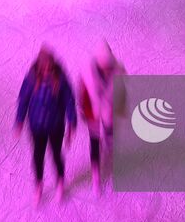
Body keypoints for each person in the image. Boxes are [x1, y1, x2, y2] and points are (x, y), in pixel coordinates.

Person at [14, 48, 76, 205]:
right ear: (40, 66)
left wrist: (72, 121)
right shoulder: (30, 80)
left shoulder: (61, 79)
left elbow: (69, 101)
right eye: (45, 68)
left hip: (55, 125)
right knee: (38, 156)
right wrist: (19, 121)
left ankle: (60, 181)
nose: (48, 70)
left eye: (50, 67)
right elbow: (23, 101)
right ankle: (39, 184)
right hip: (37, 126)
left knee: (56, 154)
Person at [78, 42, 127, 192]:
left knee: (110, 136)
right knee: (94, 142)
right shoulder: (88, 74)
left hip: (108, 111)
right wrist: (83, 111)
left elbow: (121, 90)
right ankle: (96, 174)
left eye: (109, 67)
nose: (107, 70)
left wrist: (122, 105)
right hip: (93, 113)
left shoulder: (118, 71)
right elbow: (83, 95)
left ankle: (109, 153)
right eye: (104, 68)